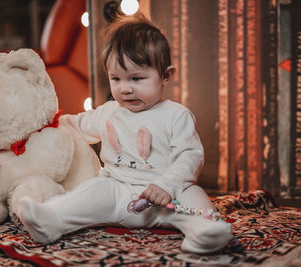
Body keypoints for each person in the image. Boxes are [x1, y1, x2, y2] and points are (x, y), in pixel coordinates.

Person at [17, 14, 233, 254]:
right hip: (117, 191)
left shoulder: (176, 115)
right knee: (88, 193)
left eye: (137, 78)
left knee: (194, 196)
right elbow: (75, 126)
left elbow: (190, 157)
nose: (125, 88)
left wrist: (166, 186)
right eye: (115, 78)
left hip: (165, 198)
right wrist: (41, 126)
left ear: (166, 76)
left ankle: (205, 232)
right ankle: (51, 219)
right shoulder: (109, 112)